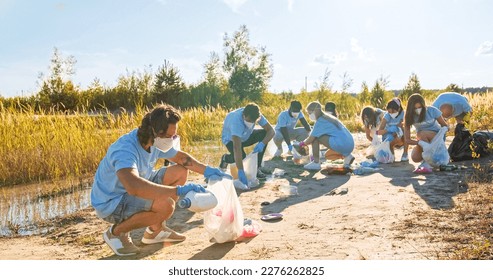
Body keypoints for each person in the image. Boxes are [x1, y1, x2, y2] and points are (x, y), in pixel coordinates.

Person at [91, 104, 229, 256]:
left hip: (138, 184)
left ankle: (155, 231)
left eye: (173, 136)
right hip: (112, 201)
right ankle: (116, 233)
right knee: (166, 206)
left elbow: (181, 158)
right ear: (154, 132)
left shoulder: (156, 141)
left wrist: (208, 170)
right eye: (169, 137)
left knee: (180, 171)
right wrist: (178, 190)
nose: (172, 140)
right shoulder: (125, 150)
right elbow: (134, 187)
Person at [219, 103, 275, 185]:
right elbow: (236, 147)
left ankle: (257, 168)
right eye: (248, 121)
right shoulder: (236, 121)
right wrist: (240, 171)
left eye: (253, 122)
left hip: (246, 136)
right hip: (230, 140)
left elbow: (271, 131)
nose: (250, 123)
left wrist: (262, 144)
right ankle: (226, 159)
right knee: (242, 156)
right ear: (243, 115)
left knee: (264, 134)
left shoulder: (256, 115)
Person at [297, 101, 355, 170]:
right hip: (350, 144)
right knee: (327, 154)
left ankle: (316, 163)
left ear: (315, 111)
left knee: (315, 138)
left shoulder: (320, 121)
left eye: (310, 113)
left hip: (341, 144)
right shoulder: (329, 118)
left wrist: (302, 143)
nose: (309, 116)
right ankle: (348, 156)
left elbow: (311, 139)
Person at [404, 93, 448, 173]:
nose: (418, 109)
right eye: (415, 108)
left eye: (420, 107)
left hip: (436, 137)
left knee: (421, 133)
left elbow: (444, 125)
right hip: (423, 140)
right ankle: (428, 158)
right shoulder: (409, 116)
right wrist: (420, 143)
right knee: (415, 157)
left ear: (423, 105)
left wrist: (442, 134)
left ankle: (427, 161)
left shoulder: (432, 110)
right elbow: (407, 140)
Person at [377, 98, 409, 162]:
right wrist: (388, 130)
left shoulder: (403, 114)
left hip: (401, 138)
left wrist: (400, 128)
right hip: (390, 137)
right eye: (389, 112)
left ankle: (405, 154)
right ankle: (392, 155)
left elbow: (407, 128)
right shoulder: (387, 116)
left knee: (406, 133)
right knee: (389, 137)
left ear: (399, 109)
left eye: (393, 112)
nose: (391, 114)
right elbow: (378, 132)